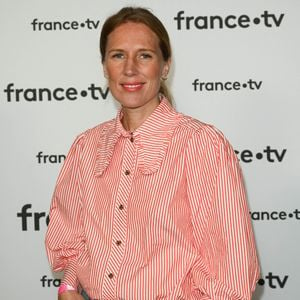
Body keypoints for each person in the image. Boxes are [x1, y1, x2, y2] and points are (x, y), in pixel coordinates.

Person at [45, 6, 260, 300]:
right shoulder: (87, 147)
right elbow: (74, 238)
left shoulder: (201, 145)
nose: (130, 68)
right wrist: (68, 286)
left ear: (165, 66)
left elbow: (229, 268)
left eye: (144, 55)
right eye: (118, 55)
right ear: (104, 66)